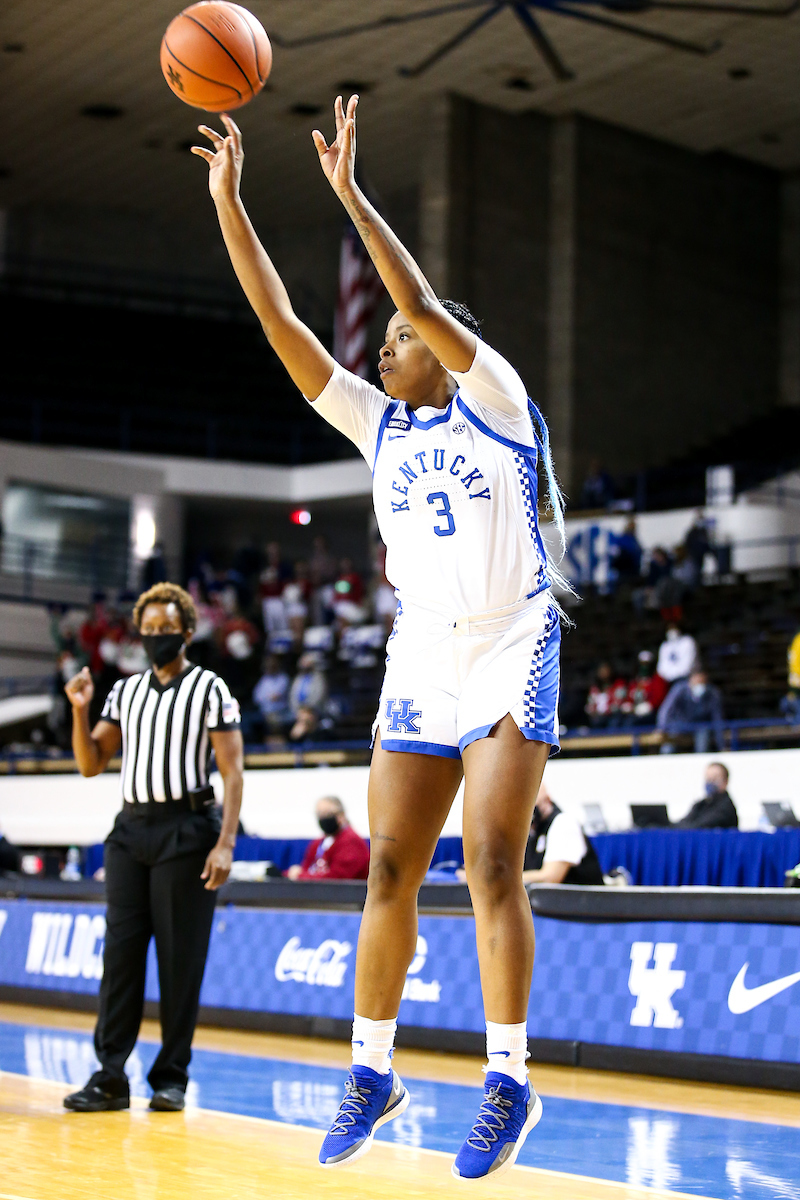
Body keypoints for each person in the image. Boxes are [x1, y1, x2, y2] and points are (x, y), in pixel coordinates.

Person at [194, 95, 565, 1180]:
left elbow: (408, 293)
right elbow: (282, 328)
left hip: (508, 640)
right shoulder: (379, 421)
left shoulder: (496, 397)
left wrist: (352, 196)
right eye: (388, 337)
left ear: (445, 350)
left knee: (492, 859)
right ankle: (372, 1067)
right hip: (421, 650)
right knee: (390, 866)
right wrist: (232, 202)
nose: (383, 344)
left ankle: (508, 1081)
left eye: (400, 337)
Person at [61, 582, 243, 1114]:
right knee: (119, 956)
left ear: (187, 632)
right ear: (139, 633)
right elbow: (91, 762)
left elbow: (233, 772)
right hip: (130, 833)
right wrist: (79, 709)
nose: (157, 638)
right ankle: (111, 1076)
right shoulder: (124, 691)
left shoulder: (210, 687)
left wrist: (226, 842)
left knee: (178, 959)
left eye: (167, 630)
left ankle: (171, 1077)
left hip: (187, 831)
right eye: (149, 630)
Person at [521, 786, 604, 885]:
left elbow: (550, 877)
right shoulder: (533, 832)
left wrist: (507, 879)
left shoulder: (564, 824)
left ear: (547, 800)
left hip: (580, 899)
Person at [286, 796, 370, 881]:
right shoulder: (318, 842)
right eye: (319, 814)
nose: (323, 818)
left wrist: (300, 876)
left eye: (327, 814)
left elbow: (338, 878)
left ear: (341, 815)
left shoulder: (352, 842)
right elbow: (307, 868)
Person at [657, 669, 724, 753]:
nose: (700, 685)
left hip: (700, 726)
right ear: (691, 679)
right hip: (680, 725)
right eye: (697, 681)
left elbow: (717, 718)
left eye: (702, 682)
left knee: (703, 743)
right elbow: (666, 709)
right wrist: (662, 728)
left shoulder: (713, 693)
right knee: (668, 745)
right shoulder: (679, 689)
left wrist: (721, 745)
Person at [675, 762, 738, 828]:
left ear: (725, 781)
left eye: (714, 778)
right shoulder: (702, 804)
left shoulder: (725, 807)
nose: (710, 782)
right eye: (708, 778)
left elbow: (702, 825)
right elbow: (685, 821)